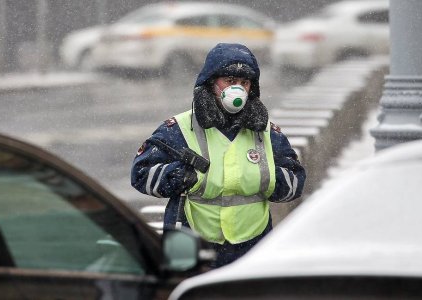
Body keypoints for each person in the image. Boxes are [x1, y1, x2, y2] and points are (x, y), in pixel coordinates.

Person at [131, 43, 306, 268]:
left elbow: (295, 180)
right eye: (230, 81)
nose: (237, 89)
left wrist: (268, 179)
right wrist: (179, 176)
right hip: (188, 240)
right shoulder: (179, 129)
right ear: (212, 82)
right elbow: (140, 174)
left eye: (244, 83)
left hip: (252, 243)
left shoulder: (266, 132)